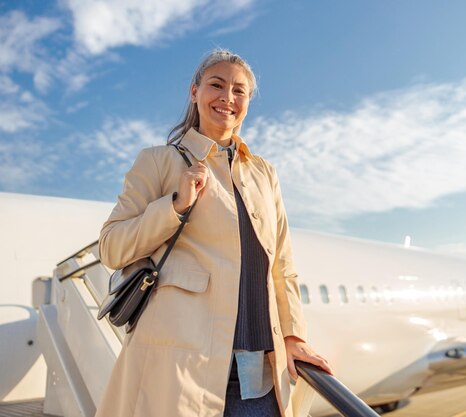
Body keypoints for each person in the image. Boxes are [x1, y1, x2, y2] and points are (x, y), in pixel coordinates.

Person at [95, 49, 332, 417]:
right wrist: (173, 205)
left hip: (258, 375)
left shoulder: (264, 173)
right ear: (194, 92)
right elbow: (111, 247)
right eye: (216, 85)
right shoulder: (158, 161)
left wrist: (294, 337)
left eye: (240, 91)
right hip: (179, 368)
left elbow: (281, 267)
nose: (227, 98)